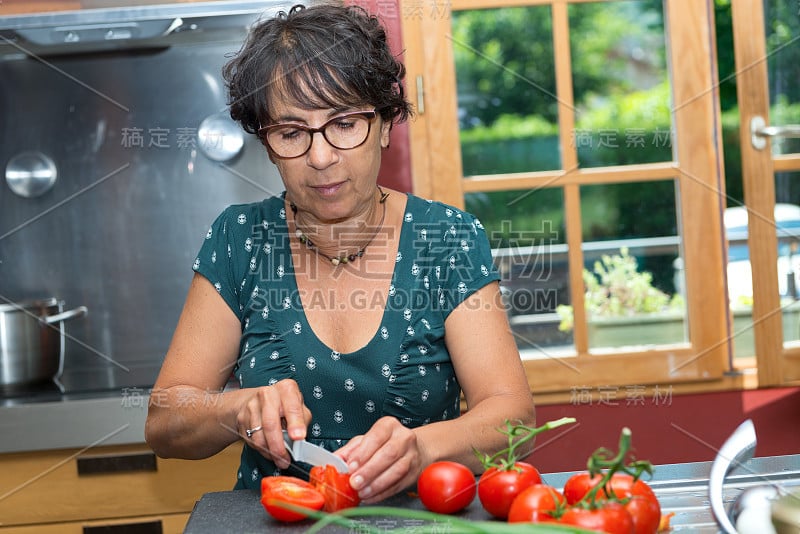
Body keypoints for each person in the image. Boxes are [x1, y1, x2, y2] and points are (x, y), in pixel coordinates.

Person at [145, 2, 535, 503]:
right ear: (267, 144)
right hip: (281, 517)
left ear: (386, 124)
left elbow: (512, 416)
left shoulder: (447, 237)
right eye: (291, 133)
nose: (321, 156)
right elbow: (164, 421)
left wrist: (419, 449)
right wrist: (234, 410)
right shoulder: (239, 239)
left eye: (345, 124)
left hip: (424, 516)